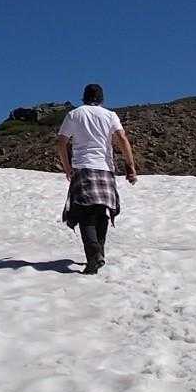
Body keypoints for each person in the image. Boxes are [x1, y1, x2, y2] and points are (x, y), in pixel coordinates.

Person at [57, 83, 138, 274]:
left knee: (85, 214)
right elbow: (122, 139)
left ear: (84, 97)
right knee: (102, 212)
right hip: (105, 169)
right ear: (101, 99)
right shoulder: (110, 115)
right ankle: (98, 253)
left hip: (83, 168)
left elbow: (61, 142)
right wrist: (130, 167)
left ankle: (94, 255)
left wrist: (67, 168)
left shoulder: (74, 114)